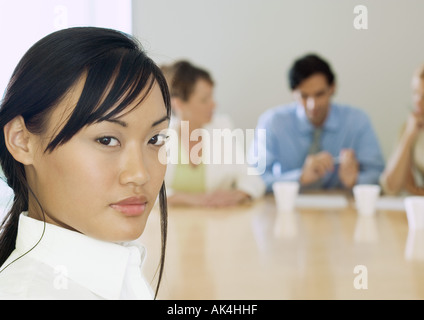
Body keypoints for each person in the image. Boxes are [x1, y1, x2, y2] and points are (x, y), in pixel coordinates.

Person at [0, 27, 170, 299]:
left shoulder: (118, 274)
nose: (139, 174)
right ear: (22, 140)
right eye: (106, 140)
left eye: (155, 139)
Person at [249, 53, 385, 193]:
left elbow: (380, 176)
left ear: (332, 88)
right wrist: (299, 177)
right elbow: (253, 179)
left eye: (319, 94)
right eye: (304, 96)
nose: (312, 105)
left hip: (342, 210)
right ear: (293, 93)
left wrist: (356, 181)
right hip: (288, 206)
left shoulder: (357, 121)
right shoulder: (273, 123)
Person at [161, 60, 265, 207]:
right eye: (204, 99)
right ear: (178, 104)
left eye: (211, 96)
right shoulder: (160, 136)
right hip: (171, 225)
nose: (214, 104)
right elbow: (145, 191)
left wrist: (238, 195)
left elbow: (253, 179)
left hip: (216, 223)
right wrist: (186, 199)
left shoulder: (222, 128)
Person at [380, 64, 424, 195]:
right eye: (415, 93)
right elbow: (391, 186)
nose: (418, 101)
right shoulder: (411, 127)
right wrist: (409, 136)